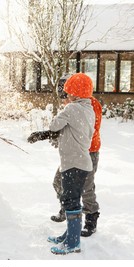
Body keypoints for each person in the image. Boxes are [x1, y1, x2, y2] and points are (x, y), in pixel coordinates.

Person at [28, 74, 102, 238]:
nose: (65, 99)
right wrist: (48, 135)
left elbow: (83, 130)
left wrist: (62, 128)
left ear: (75, 93)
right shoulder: (75, 105)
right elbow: (68, 126)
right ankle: (67, 208)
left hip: (88, 152)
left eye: (67, 94)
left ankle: (91, 219)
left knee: (86, 188)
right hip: (73, 154)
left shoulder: (90, 105)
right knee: (58, 182)